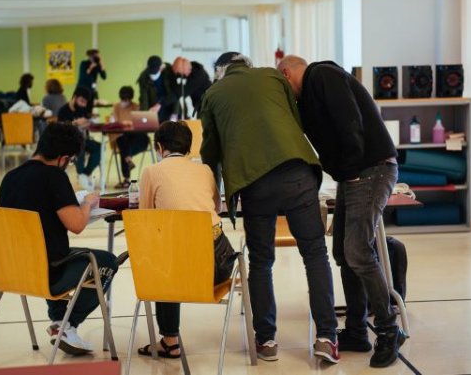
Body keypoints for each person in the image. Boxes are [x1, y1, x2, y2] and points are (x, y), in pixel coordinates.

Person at [200, 52, 339, 363]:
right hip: (297, 173)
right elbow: (296, 120)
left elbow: (211, 152)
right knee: (315, 253)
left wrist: (214, 195)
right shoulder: (273, 76)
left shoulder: (213, 94)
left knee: (261, 262)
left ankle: (266, 341)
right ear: (247, 65)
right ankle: (327, 337)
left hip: (254, 183)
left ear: (221, 72)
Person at [277, 55, 405, 368]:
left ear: (286, 72)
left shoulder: (321, 75)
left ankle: (389, 329)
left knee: (358, 251)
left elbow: (350, 119)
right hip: (356, 171)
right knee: (343, 253)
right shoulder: (308, 95)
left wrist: (349, 168)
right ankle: (357, 330)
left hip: (369, 168)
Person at [0, 122, 119, 355]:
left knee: (51, 252)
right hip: (47, 272)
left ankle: (58, 322)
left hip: (13, 268)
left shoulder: (10, 178)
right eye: (71, 161)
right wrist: (87, 204)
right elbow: (76, 225)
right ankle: (66, 324)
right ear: (64, 158)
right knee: (106, 262)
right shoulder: (54, 176)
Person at [136, 120, 236, 359]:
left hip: (178, 274)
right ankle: (169, 341)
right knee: (174, 255)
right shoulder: (205, 170)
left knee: (163, 261)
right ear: (190, 148)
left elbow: (145, 217)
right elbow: (217, 208)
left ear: (159, 148)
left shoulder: (152, 172)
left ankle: (170, 341)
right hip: (217, 265)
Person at [57, 87, 101, 191]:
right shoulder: (63, 111)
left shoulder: (82, 109)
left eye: (85, 102)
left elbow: (86, 123)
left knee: (99, 147)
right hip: (68, 142)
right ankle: (81, 173)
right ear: (74, 98)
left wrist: (88, 123)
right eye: (82, 101)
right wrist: (74, 123)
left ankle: (84, 174)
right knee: (78, 146)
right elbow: (59, 130)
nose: (83, 105)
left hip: (83, 139)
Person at [110, 86, 149, 188]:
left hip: (136, 138)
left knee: (126, 148)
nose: (125, 102)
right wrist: (122, 123)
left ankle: (126, 178)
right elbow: (112, 123)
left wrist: (132, 124)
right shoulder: (116, 107)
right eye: (123, 100)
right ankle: (128, 159)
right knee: (122, 140)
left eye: (127, 100)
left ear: (130, 99)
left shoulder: (136, 106)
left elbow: (142, 123)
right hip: (122, 136)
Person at [137, 55, 179, 123]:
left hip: (170, 106)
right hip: (154, 109)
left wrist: (175, 113)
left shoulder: (170, 73)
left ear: (161, 68)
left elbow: (176, 94)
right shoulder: (144, 78)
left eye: (155, 72)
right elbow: (144, 99)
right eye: (151, 72)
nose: (153, 75)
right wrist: (145, 116)